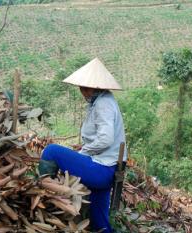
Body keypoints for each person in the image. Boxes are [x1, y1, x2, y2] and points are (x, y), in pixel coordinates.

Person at [38, 58, 127, 233]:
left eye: (83, 88)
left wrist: (84, 152)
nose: (81, 92)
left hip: (102, 169)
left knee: (52, 151)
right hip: (110, 168)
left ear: (91, 87)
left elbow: (106, 139)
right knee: (100, 222)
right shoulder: (103, 100)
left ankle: (42, 189)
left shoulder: (103, 105)